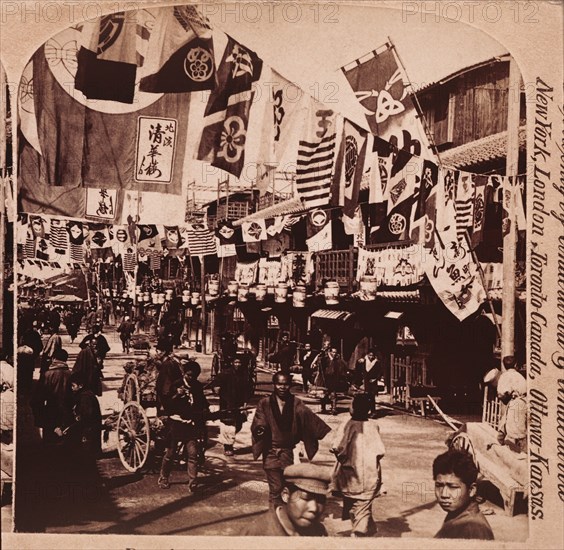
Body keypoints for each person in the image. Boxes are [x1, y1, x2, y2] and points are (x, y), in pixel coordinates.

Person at [251, 371, 331, 507]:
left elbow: (306, 415)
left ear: (290, 386)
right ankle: (274, 517)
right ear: (274, 385)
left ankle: (287, 514)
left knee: (288, 486)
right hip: (270, 451)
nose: (282, 387)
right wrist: (261, 428)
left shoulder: (296, 402)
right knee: (275, 488)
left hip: (287, 451)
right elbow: (260, 419)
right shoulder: (264, 403)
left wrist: (310, 423)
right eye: (279, 384)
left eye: (286, 384)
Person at [331, 394, 386, 537]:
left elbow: (339, 448)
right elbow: (380, 451)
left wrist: (340, 456)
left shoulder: (347, 425)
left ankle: (360, 533)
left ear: (353, 409)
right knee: (363, 503)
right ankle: (368, 525)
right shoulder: (374, 426)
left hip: (351, 475)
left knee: (356, 504)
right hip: (371, 474)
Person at [158, 361, 209, 491]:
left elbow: (202, 401)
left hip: (190, 425)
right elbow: (167, 405)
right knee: (170, 453)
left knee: (192, 454)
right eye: (189, 375)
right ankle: (163, 477)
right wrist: (177, 395)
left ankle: (193, 481)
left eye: (194, 376)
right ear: (185, 373)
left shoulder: (197, 386)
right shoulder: (176, 385)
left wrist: (205, 411)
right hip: (176, 424)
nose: (191, 378)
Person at [243, 463, 331, 536]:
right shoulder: (257, 534)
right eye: (306, 497)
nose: (314, 508)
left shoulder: (318, 532)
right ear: (285, 495)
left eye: (320, 500)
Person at [433, 449, 494, 540]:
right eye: (439, 485)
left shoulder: (473, 531)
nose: (444, 494)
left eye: (452, 487)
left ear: (472, 490)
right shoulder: (457, 514)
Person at [211, 356, 252, 456]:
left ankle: (229, 440)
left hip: (239, 403)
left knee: (239, 424)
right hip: (227, 402)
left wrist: (245, 402)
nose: (238, 365)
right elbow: (216, 382)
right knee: (228, 424)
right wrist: (216, 387)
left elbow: (247, 389)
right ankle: (228, 446)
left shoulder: (244, 374)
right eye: (236, 362)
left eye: (239, 363)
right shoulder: (225, 373)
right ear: (232, 363)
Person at [31, 348, 73, 444]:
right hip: (68, 414)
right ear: (66, 360)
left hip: (50, 412)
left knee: (50, 444)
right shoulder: (71, 374)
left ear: (53, 359)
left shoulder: (46, 375)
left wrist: (39, 417)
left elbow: (36, 400)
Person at [496, 356, 527, 453]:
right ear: (515, 365)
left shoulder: (505, 376)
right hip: (523, 402)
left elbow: (501, 392)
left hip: (515, 404)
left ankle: (521, 453)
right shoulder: (520, 376)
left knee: (517, 430)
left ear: (504, 366)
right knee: (506, 424)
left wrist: (505, 396)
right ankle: (500, 444)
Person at [155, 341, 182, 415]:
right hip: (170, 391)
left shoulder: (167, 364)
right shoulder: (171, 362)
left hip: (167, 394)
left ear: (163, 352)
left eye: (158, 351)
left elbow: (166, 381)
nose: (157, 353)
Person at [319, 347, 348, 415]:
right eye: (333, 352)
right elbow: (321, 368)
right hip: (326, 379)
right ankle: (323, 408)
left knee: (333, 394)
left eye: (335, 352)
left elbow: (340, 368)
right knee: (325, 394)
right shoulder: (325, 359)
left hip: (334, 379)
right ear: (330, 352)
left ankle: (334, 408)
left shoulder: (337, 361)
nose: (334, 354)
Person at [355, 348, 382, 418]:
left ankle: (373, 412)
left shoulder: (377, 363)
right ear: (367, 355)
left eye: (372, 356)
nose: (371, 357)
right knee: (364, 397)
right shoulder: (363, 361)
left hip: (372, 382)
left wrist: (375, 379)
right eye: (370, 355)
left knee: (372, 397)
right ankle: (364, 411)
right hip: (364, 381)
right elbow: (358, 370)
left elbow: (379, 372)